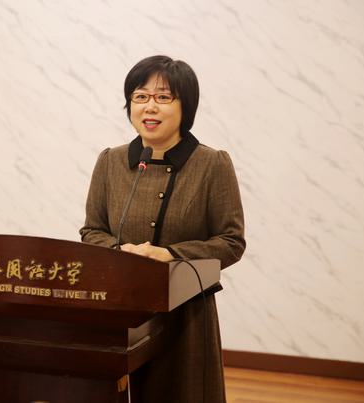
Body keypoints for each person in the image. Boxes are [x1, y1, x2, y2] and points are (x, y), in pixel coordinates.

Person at [79, 55, 246, 403]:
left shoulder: (212, 164)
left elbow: (231, 242)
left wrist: (169, 254)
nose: (149, 107)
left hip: (185, 315)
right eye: (140, 97)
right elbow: (92, 231)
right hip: (120, 307)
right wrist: (120, 253)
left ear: (187, 106)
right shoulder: (111, 161)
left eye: (163, 97)